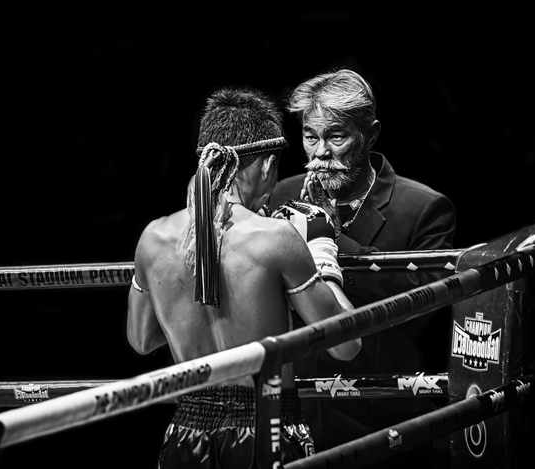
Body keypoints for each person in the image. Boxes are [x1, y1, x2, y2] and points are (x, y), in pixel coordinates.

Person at [126, 88, 361, 468]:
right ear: (266, 165)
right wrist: (321, 255)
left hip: (186, 431)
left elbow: (142, 340)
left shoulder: (153, 237)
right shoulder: (274, 238)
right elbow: (346, 345)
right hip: (266, 427)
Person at [268, 68, 457, 467]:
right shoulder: (281, 194)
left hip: (381, 416)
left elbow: (424, 308)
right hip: (296, 414)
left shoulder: (424, 207)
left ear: (370, 134)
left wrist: (330, 235)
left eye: (336, 137)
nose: (320, 152)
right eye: (310, 136)